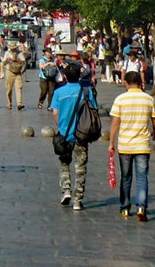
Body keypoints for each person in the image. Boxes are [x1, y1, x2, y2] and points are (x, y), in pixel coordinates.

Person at [109, 71, 155, 221]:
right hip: (142, 145)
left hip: (125, 145)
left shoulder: (120, 99)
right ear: (140, 82)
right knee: (142, 177)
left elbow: (115, 124)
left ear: (126, 82)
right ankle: (141, 207)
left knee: (126, 177)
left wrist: (111, 143)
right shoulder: (148, 99)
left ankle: (125, 208)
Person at [50, 62, 95, 211]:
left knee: (64, 163)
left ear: (65, 77)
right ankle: (78, 200)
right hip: (81, 136)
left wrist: (61, 126)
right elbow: (93, 110)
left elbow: (55, 113)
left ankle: (66, 190)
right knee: (80, 168)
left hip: (64, 135)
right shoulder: (86, 92)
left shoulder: (58, 92)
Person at [2, 40, 27, 110]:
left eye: (14, 48)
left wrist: (16, 60)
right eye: (12, 48)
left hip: (18, 72)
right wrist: (7, 60)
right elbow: (3, 63)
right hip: (9, 71)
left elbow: (23, 62)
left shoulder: (20, 53)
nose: (13, 49)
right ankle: (9, 103)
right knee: (9, 89)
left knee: (19, 87)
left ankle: (19, 104)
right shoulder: (7, 53)